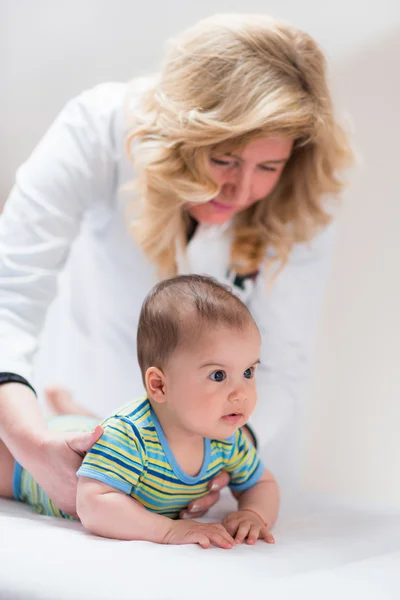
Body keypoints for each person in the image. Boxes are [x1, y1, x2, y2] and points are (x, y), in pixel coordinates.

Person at [0, 14, 353, 518]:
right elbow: (8, 294)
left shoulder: (305, 197)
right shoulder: (100, 127)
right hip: (75, 430)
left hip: (216, 465)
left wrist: (218, 461)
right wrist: (33, 445)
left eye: (268, 167)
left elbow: (284, 361)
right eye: (225, 159)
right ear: (180, 134)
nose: (242, 189)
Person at [0, 275, 279, 549]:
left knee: (94, 427)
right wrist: (168, 530)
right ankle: (65, 412)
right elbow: (93, 505)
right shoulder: (130, 435)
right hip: (30, 469)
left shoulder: (227, 438)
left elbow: (262, 482)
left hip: (99, 430)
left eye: (248, 372)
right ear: (159, 385)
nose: (241, 392)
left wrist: (254, 513)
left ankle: (69, 406)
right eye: (218, 375)